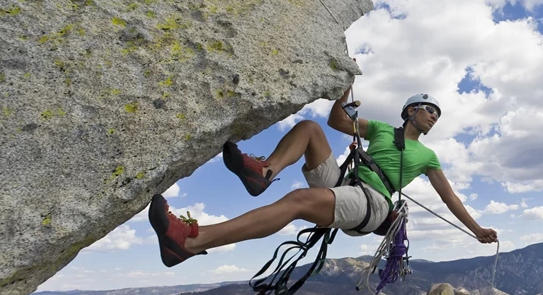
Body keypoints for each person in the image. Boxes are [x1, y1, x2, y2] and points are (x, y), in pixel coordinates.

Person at [148, 88, 498, 267]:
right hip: (347, 185)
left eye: (437, 114)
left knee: (298, 201)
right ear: (411, 111)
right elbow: (336, 121)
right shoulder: (380, 129)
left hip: (373, 202)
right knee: (311, 129)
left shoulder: (428, 156)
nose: (434, 117)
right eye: (430, 110)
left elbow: (449, 197)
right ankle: (264, 172)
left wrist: (476, 229)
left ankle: (191, 242)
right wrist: (345, 90)